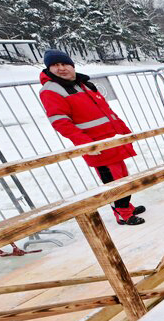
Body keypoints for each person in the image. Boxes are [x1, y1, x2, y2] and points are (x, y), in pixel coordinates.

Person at [39, 49, 145, 225]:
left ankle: (126, 206)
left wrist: (125, 133)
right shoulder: (52, 90)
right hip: (97, 146)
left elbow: (107, 112)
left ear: (72, 66)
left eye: (64, 64)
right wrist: (87, 144)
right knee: (113, 180)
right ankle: (123, 213)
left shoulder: (83, 84)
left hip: (112, 140)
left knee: (122, 177)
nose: (61, 68)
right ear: (49, 69)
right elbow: (60, 122)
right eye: (55, 65)